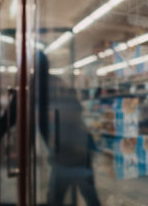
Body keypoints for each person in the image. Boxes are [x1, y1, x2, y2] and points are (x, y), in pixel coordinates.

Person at [37, 51, 100, 206]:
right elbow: (76, 108)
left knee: (57, 198)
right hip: (77, 152)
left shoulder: (42, 85)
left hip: (67, 154)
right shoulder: (57, 83)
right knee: (88, 196)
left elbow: (47, 121)